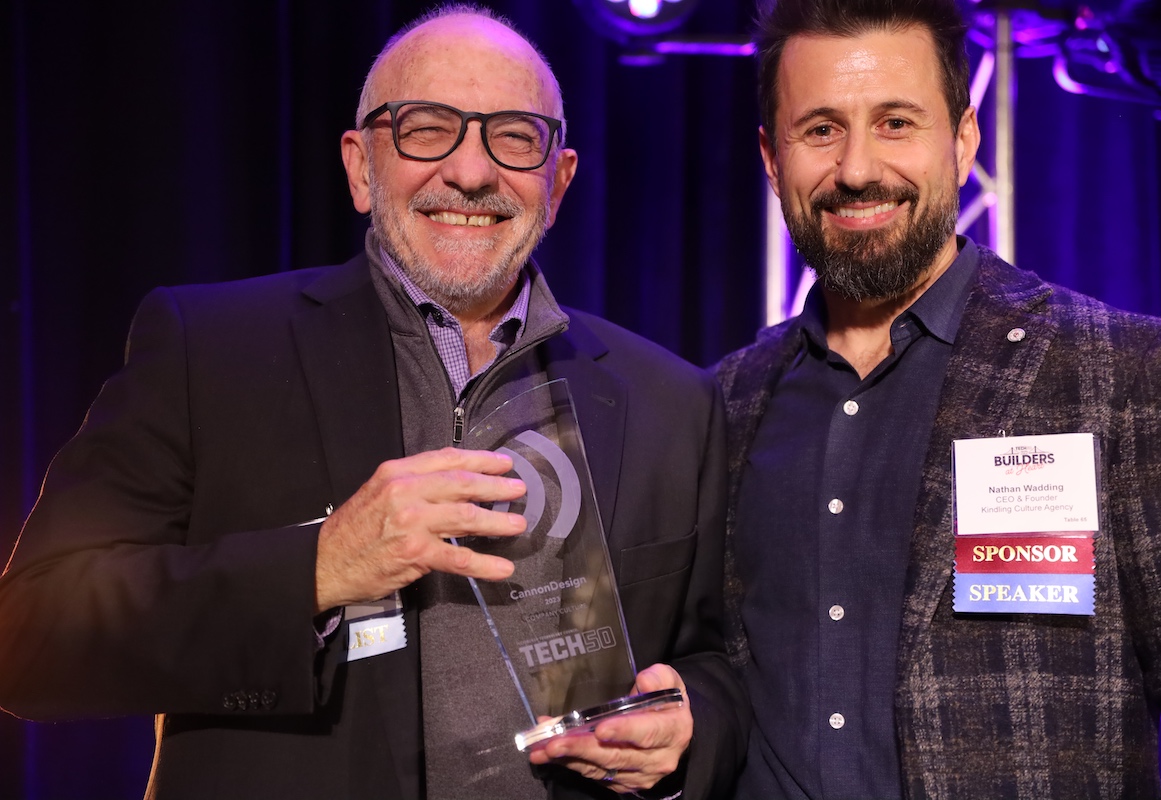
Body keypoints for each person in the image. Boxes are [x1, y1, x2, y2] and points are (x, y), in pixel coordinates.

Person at [0, 5, 747, 798]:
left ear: (558, 181)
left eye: (515, 135)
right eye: (427, 128)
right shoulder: (211, 351)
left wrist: (689, 722)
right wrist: (318, 567)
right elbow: (32, 640)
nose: (470, 171)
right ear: (361, 167)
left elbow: (720, 666)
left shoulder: (672, 400)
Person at [717, 0, 1161, 797]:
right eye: (821, 129)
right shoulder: (726, 403)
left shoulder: (1127, 375)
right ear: (772, 157)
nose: (860, 168)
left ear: (964, 139)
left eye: (897, 122)